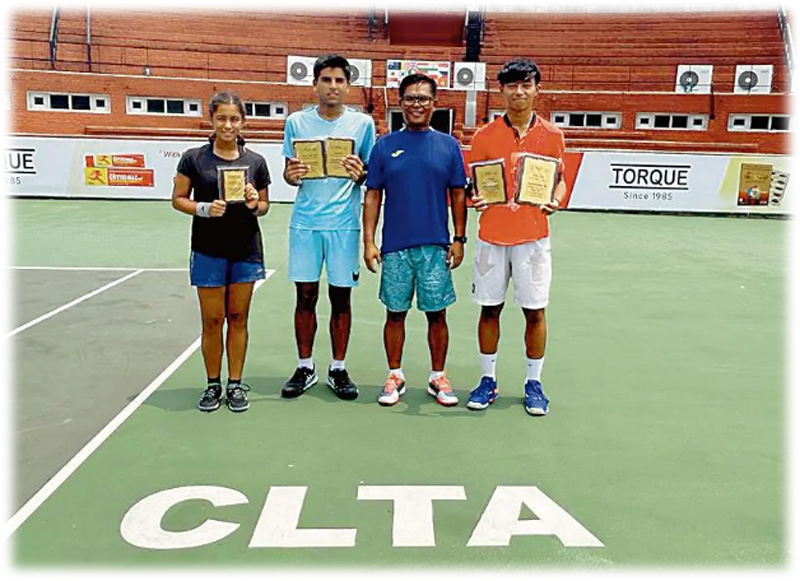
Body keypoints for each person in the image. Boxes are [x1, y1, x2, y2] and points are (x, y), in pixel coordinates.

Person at [466, 58, 567, 416]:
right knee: (489, 308)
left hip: (533, 237)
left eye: (526, 85)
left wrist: (556, 200)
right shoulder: (484, 136)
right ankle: (488, 379)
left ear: (538, 89)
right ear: (501, 90)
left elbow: (559, 179)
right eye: (512, 85)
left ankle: (533, 382)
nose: (519, 92)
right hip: (492, 237)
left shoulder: (553, 135)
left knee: (534, 311)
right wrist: (475, 198)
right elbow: (474, 184)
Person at [363, 73, 467, 407]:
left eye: (423, 98)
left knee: (437, 313)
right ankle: (395, 374)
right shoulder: (384, 146)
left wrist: (459, 238)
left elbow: (458, 194)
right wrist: (369, 241)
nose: (416, 104)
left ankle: (438, 376)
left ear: (434, 103)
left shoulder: (448, 146)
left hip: (435, 246)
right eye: (410, 98)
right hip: (395, 247)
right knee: (395, 313)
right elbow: (373, 195)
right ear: (400, 103)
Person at [281, 54, 376, 401]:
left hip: (344, 225)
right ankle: (305, 366)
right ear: (315, 84)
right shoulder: (296, 122)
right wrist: (290, 175)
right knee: (305, 295)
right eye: (326, 80)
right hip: (305, 224)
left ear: (348, 86)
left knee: (341, 297)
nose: (333, 86)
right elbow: (289, 173)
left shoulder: (363, 124)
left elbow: (370, 174)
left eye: (339, 80)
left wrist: (361, 173)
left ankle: (338, 368)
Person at [171, 90, 271, 413]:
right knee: (212, 320)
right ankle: (213, 384)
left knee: (238, 317)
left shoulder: (255, 162)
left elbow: (264, 205)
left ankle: (236, 384)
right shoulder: (193, 158)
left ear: (243, 122)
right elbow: (178, 199)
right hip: (208, 250)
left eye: (234, 119)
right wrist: (204, 208)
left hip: (246, 250)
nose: (228, 125)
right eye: (222, 118)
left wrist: (254, 203)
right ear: (211, 120)